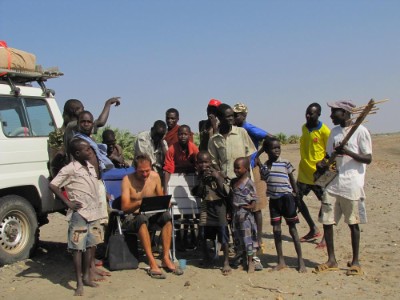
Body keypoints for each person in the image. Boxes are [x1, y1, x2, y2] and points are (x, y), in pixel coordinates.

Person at [313, 100, 372, 276]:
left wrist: (349, 152)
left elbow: (368, 158)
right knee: (327, 221)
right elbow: (329, 156)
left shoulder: (361, 131)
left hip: (352, 184)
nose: (331, 115)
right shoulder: (334, 132)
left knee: (353, 223)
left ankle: (356, 262)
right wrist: (322, 163)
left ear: (345, 113)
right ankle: (331, 260)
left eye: (334, 112)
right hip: (333, 184)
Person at [49, 138, 104, 296]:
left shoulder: (91, 167)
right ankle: (79, 282)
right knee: (77, 248)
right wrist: (68, 203)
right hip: (80, 214)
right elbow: (53, 185)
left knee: (91, 245)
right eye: (87, 150)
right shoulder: (70, 169)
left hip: (94, 212)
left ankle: (87, 277)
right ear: (78, 153)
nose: (90, 151)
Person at [120, 154, 183, 279]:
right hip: (133, 217)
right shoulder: (127, 180)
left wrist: (165, 202)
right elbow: (125, 207)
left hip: (151, 213)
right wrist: (139, 203)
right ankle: (152, 261)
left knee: (167, 217)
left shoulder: (154, 177)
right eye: (141, 171)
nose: (145, 174)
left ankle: (165, 257)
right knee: (141, 219)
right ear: (135, 169)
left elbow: (160, 198)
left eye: (147, 171)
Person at [260, 137, 306, 273]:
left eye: (278, 147)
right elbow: (264, 178)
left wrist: (297, 196)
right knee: (276, 230)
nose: (277, 150)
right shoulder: (265, 166)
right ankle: (281, 261)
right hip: (274, 200)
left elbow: (292, 181)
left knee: (293, 230)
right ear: (267, 150)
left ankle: (300, 260)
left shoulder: (285, 163)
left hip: (287, 199)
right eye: (274, 148)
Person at [233, 102, 274, 256]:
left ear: (244, 116)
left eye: (237, 115)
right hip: (242, 171)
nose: (235, 118)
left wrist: (257, 153)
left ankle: (259, 239)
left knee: (255, 206)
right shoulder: (237, 130)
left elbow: (270, 137)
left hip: (251, 170)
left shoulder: (248, 128)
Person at [192, 151, 231, 275]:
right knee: (203, 232)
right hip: (206, 205)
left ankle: (226, 261)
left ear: (211, 162)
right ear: (197, 164)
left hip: (219, 206)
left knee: (223, 233)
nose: (204, 165)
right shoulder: (198, 176)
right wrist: (202, 181)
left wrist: (217, 177)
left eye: (206, 162)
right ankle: (206, 257)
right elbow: (198, 193)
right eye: (201, 162)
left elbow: (225, 193)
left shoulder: (218, 173)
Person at [297, 103, 330, 248]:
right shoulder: (304, 128)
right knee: (296, 198)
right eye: (307, 113)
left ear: (319, 114)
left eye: (311, 113)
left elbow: (331, 153)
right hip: (304, 172)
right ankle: (313, 228)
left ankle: (326, 236)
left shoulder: (325, 131)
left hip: (319, 175)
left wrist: (325, 166)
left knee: (325, 204)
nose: (308, 116)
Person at [163, 124, 199, 250]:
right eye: (180, 134)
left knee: (190, 211)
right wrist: (165, 188)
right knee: (177, 211)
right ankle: (179, 237)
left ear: (190, 135)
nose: (183, 136)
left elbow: (198, 165)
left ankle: (194, 237)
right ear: (177, 136)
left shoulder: (193, 148)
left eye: (185, 134)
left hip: (190, 180)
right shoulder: (172, 149)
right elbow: (167, 169)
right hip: (176, 181)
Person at [208, 103, 256, 180]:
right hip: (227, 180)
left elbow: (249, 154)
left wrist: (246, 172)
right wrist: (221, 175)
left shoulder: (241, 132)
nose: (231, 118)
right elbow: (214, 162)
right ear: (220, 118)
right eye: (228, 116)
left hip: (244, 179)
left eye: (232, 115)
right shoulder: (214, 139)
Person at [230, 157, 259, 273]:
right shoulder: (233, 182)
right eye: (234, 168)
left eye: (238, 168)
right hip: (235, 214)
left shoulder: (249, 183)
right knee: (237, 237)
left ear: (246, 168)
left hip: (245, 215)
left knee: (248, 239)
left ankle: (250, 261)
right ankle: (241, 258)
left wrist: (251, 206)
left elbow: (255, 199)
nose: (235, 170)